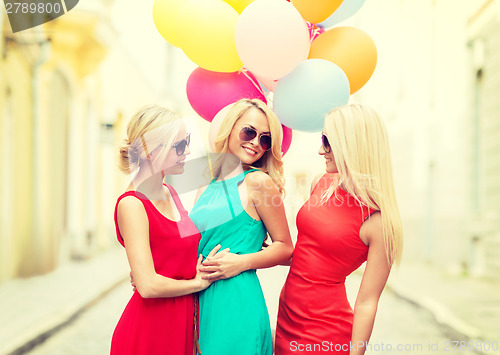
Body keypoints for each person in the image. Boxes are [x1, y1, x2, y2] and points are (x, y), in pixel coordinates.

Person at [275, 103, 403, 355]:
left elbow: (367, 302)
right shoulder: (321, 183)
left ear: (352, 146)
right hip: (287, 317)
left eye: (327, 141)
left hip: (325, 333)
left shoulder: (378, 221)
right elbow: (310, 254)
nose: (321, 150)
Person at [111, 105, 221, 355]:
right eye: (180, 145)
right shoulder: (132, 204)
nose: (188, 151)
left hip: (180, 323)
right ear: (151, 150)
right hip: (149, 331)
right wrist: (197, 283)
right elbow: (148, 285)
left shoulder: (171, 192)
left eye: (188, 142)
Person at [189, 98, 294, 355]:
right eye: (249, 131)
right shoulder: (206, 182)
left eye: (265, 139)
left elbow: (285, 248)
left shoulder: (259, 182)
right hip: (197, 296)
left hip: (236, 300)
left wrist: (240, 262)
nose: (256, 143)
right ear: (230, 128)